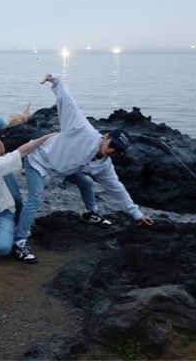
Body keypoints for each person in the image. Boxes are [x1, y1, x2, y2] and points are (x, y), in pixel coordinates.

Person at [13, 73, 154, 261]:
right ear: (105, 136)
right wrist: (55, 80)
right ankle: (20, 242)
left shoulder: (104, 166)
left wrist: (136, 214)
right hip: (39, 160)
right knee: (36, 198)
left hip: (63, 170)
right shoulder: (81, 129)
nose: (111, 151)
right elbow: (69, 103)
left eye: (117, 151)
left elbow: (116, 189)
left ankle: (90, 213)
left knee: (87, 182)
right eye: (111, 145)